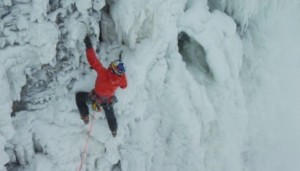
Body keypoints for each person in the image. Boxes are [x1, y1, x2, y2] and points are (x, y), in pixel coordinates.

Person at [76, 36, 127, 137]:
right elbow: (124, 86)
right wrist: (121, 75)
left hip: (96, 97)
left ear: (112, 68)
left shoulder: (103, 73)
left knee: (79, 97)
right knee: (110, 115)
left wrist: (89, 46)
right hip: (108, 100)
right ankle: (114, 130)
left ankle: (85, 116)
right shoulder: (121, 80)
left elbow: (93, 61)